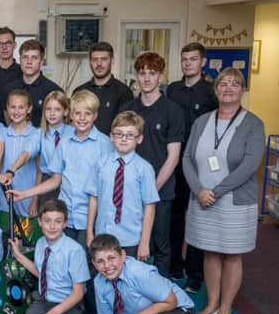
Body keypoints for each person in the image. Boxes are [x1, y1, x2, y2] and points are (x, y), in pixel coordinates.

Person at [182, 67, 265, 314]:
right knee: (209, 252)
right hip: (203, 199)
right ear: (215, 90)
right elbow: (187, 158)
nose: (228, 88)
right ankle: (211, 303)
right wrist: (199, 190)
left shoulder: (253, 123)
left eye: (235, 84)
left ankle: (226, 308)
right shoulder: (202, 122)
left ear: (242, 90)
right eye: (223, 84)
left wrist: (215, 192)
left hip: (234, 201)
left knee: (231, 255)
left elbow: (250, 165)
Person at [7, 90, 114, 248]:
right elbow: (55, 180)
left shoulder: (105, 144)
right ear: (71, 115)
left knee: (89, 260)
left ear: (95, 116)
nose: (82, 118)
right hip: (66, 216)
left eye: (88, 114)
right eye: (77, 113)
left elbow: (109, 185)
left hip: (91, 217)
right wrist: (24, 194)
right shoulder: (64, 142)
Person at [121, 52, 185, 279]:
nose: (146, 78)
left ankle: (161, 297)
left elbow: (173, 157)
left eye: (152, 73)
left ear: (161, 76)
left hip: (161, 190)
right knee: (131, 242)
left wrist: (150, 190)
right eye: (142, 73)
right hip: (129, 190)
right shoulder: (128, 110)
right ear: (136, 76)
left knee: (160, 245)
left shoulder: (173, 111)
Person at [167, 42, 218, 292]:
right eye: (185, 59)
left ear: (203, 62)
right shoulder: (173, 90)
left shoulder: (210, 92)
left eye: (193, 59)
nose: (188, 63)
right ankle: (176, 264)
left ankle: (195, 272)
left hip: (200, 164)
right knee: (175, 217)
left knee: (197, 217)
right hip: (175, 161)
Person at [10, 199, 89, 314]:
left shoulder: (75, 250)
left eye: (58, 221)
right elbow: (42, 275)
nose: (52, 227)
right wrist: (19, 256)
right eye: (47, 221)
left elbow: (78, 293)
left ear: (65, 223)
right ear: (40, 222)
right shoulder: (40, 243)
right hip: (43, 301)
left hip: (68, 304)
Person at [86, 111, 159, 260]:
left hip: (131, 238)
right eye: (119, 134)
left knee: (128, 278)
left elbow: (150, 206)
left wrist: (144, 242)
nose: (124, 139)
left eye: (130, 135)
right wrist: (89, 232)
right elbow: (93, 198)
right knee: (102, 276)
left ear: (139, 139)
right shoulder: (101, 163)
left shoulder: (144, 168)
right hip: (103, 235)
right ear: (111, 137)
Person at [0, 89, 41, 218]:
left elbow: (40, 170)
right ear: (7, 108)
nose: (16, 111)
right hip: (5, 194)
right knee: (6, 232)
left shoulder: (37, 134)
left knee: (26, 235)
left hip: (27, 195)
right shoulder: (2, 132)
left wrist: (35, 199)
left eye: (21, 107)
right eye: (13, 107)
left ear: (29, 109)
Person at [72, 42, 134, 135]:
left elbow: (125, 128)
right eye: (95, 59)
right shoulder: (79, 91)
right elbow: (72, 124)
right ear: (90, 63)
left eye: (104, 59)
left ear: (112, 61)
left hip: (112, 148)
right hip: (82, 147)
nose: (99, 64)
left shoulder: (124, 92)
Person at [0, 39, 62, 127]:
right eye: (25, 57)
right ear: (20, 60)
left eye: (34, 58)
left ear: (42, 62)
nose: (29, 62)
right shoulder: (8, 90)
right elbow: (8, 124)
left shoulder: (53, 91)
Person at [37, 90, 72, 208]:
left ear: (66, 112)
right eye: (48, 109)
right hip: (48, 180)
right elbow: (27, 153)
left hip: (68, 181)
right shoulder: (40, 134)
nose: (52, 113)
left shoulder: (72, 132)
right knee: (48, 218)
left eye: (57, 109)